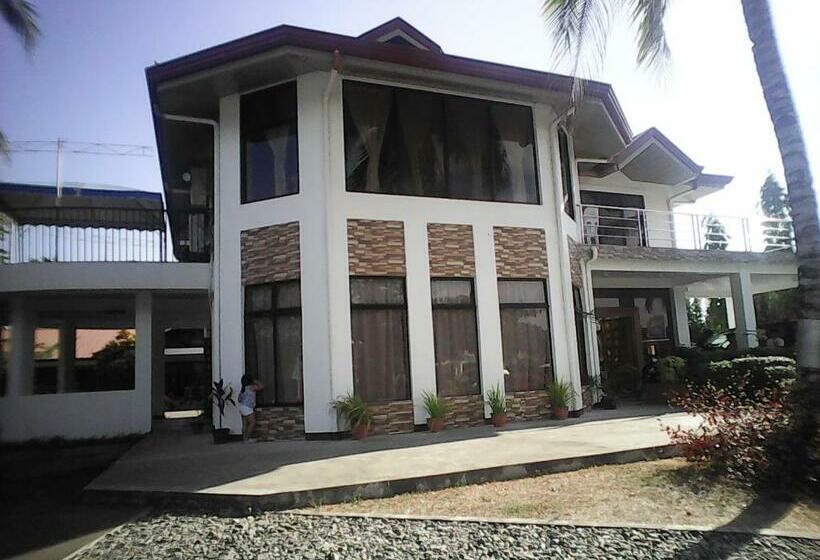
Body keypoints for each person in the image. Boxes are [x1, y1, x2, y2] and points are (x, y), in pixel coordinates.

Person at [238, 374, 264, 441]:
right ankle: (247, 438)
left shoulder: (243, 388)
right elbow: (262, 386)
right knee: (252, 423)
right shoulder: (251, 387)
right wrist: (255, 381)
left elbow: (239, 399)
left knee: (245, 424)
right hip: (248, 407)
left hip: (241, 406)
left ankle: (244, 438)